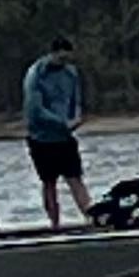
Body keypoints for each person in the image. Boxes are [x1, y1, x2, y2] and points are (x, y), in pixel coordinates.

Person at [21, 34, 96, 227]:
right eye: (61, 58)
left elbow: (75, 100)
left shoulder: (71, 73)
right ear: (52, 54)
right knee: (49, 182)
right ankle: (54, 223)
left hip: (64, 137)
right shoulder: (36, 74)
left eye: (67, 59)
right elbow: (35, 109)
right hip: (41, 137)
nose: (64, 62)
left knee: (75, 178)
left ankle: (91, 217)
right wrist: (61, 123)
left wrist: (76, 117)